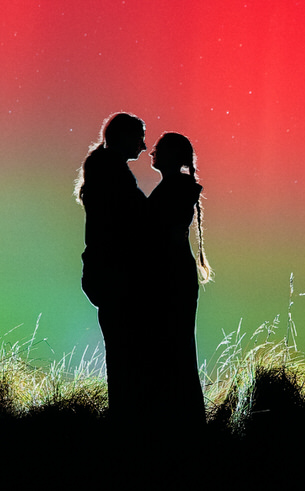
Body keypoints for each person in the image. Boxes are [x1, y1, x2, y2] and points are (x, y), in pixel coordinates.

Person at [74, 112, 148, 423]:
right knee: (127, 351)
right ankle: (127, 421)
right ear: (123, 137)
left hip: (104, 272)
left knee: (121, 350)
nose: (144, 147)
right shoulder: (113, 172)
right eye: (139, 138)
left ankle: (124, 416)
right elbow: (138, 216)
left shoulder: (103, 168)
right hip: (117, 275)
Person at [143, 131, 212, 441]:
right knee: (177, 348)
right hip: (175, 275)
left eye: (158, 149)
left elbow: (160, 233)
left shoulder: (175, 189)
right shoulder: (179, 188)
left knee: (173, 348)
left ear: (171, 155)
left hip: (170, 277)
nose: (151, 152)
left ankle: (179, 427)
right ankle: (184, 423)